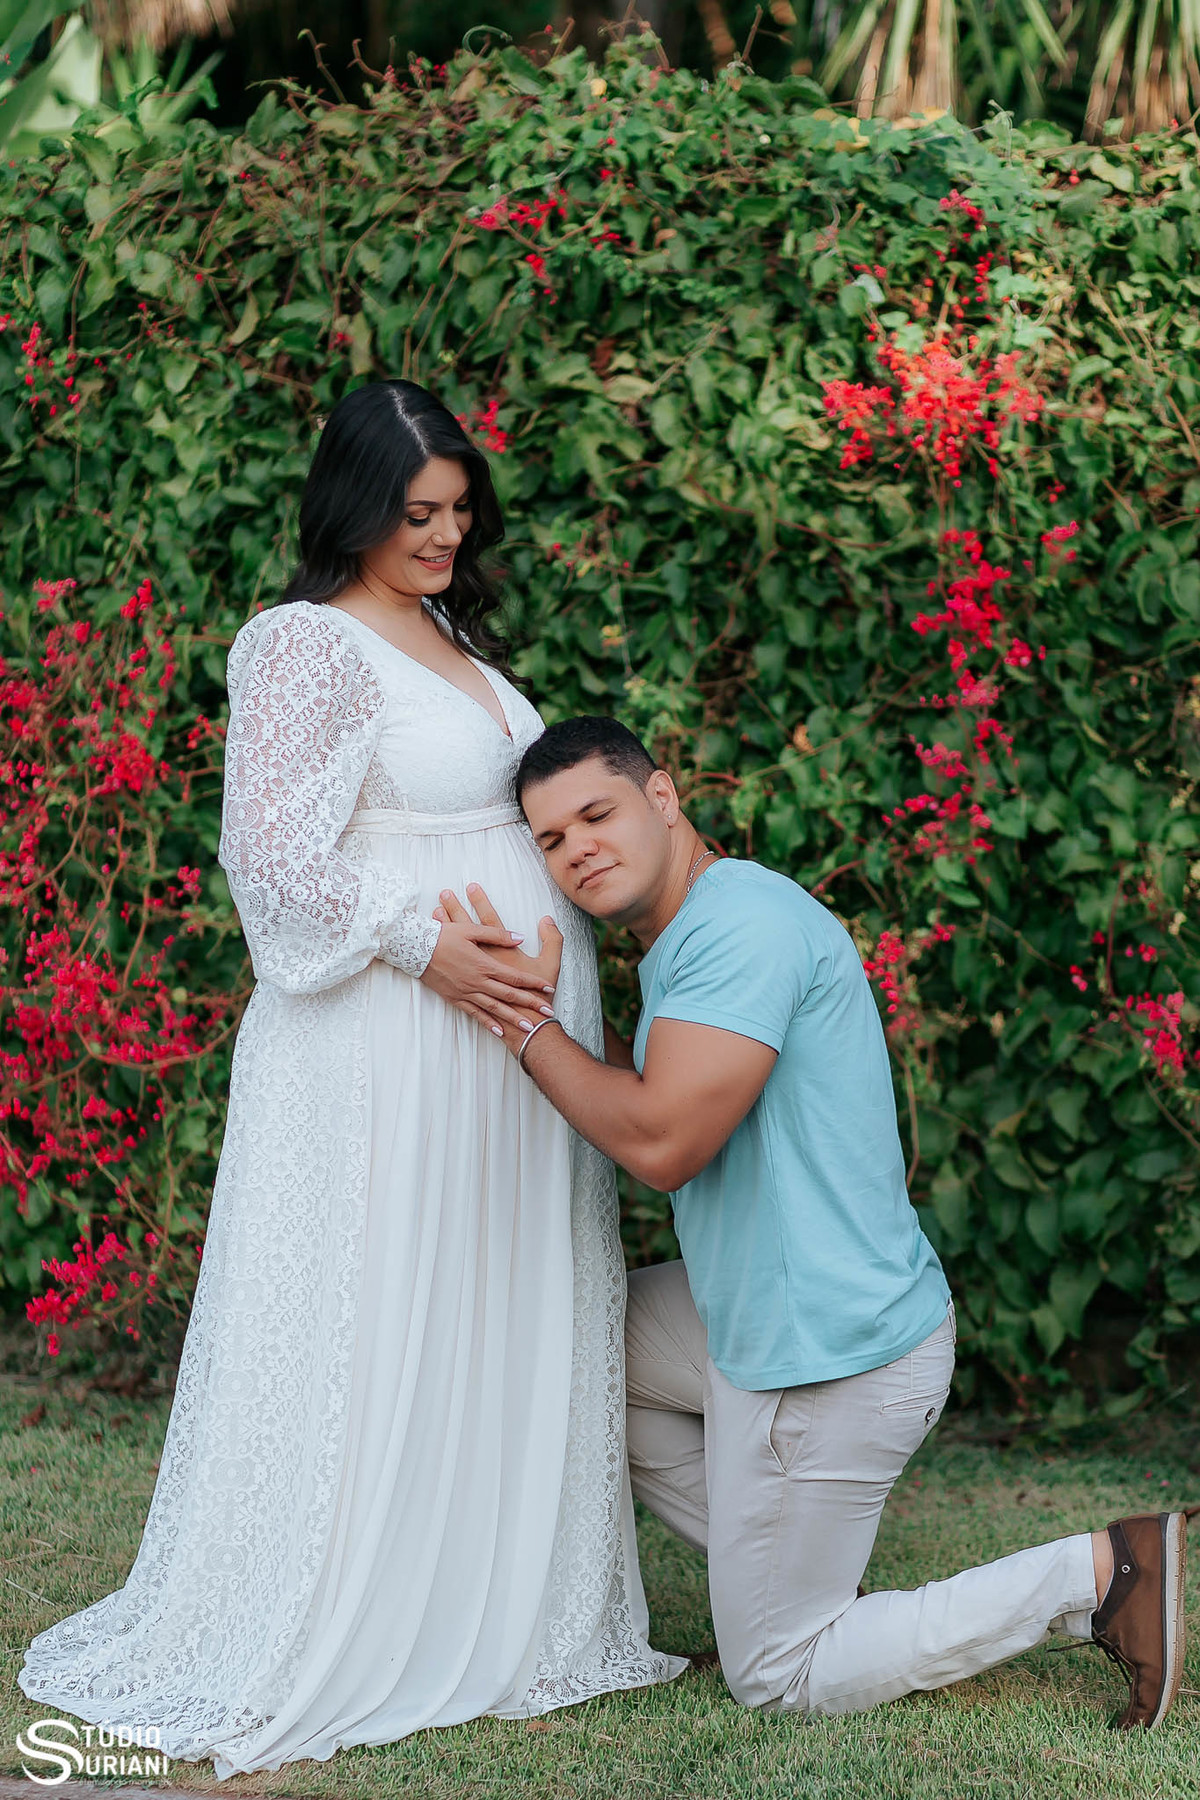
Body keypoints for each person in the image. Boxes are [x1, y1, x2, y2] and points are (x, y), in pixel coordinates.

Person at [18, 390, 682, 1778]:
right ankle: (354, 1611)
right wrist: (429, 947)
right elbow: (271, 859)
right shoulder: (304, 647)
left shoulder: (456, 641)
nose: (443, 536)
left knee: (498, 1295)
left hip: (502, 1042)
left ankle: (509, 1621)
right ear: (353, 506)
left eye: (457, 511)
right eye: (415, 512)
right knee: (380, 1307)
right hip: (388, 1038)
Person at [434, 713, 1195, 1731]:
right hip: (796, 1312)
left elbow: (664, 1144)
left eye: (597, 815)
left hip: (827, 1354)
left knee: (778, 1677)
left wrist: (523, 1026)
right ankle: (799, 1590)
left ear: (662, 797)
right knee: (573, 1340)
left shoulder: (740, 933)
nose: (579, 852)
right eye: (552, 840)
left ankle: (1104, 1571)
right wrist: (558, 1018)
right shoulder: (697, 924)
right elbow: (655, 1083)